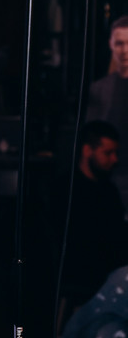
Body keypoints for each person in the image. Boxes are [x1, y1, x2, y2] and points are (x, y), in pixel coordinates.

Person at [59, 121, 128, 307]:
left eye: (115, 153)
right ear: (87, 150)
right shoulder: (67, 189)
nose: (114, 159)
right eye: (108, 153)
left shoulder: (107, 188)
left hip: (109, 263)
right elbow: (83, 241)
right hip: (84, 270)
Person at [86, 16, 128, 212]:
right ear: (111, 45)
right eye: (119, 43)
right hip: (107, 178)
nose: (125, 50)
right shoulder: (100, 89)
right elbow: (90, 137)